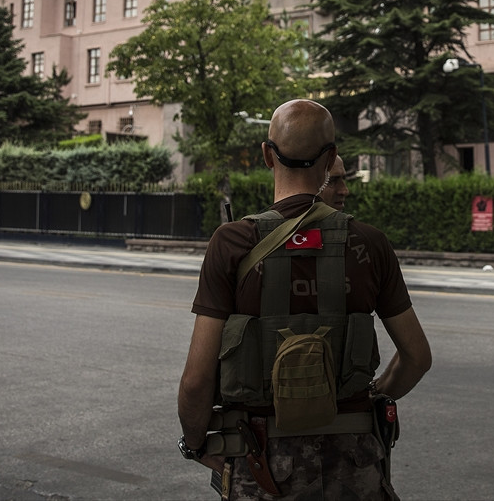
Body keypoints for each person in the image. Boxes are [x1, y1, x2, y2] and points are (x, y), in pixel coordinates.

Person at [178, 99, 432, 500]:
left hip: (261, 467)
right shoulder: (370, 243)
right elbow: (417, 357)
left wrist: (194, 444)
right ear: (330, 157)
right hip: (354, 468)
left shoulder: (232, 243)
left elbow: (196, 381)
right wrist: (372, 397)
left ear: (267, 154)